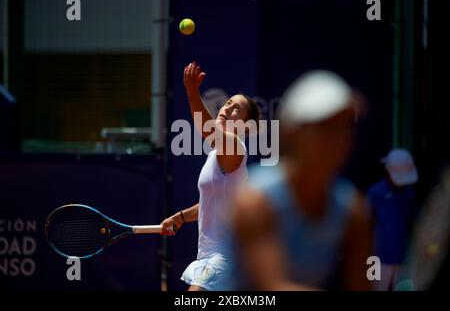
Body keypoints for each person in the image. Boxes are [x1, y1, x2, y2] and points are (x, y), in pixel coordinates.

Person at [232, 70, 372, 290]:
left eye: (344, 125)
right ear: (292, 132)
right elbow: (271, 289)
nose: (338, 137)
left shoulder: (353, 210)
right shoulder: (254, 200)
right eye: (324, 126)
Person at [160, 61, 261, 291]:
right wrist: (180, 218)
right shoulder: (215, 154)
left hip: (225, 256)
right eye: (227, 103)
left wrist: (192, 91)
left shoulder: (235, 146)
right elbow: (211, 202)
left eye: (236, 108)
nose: (227, 108)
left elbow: (208, 130)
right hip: (206, 255)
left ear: (245, 126)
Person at [367, 148, 418, 290]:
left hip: (404, 258)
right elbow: (366, 226)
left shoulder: (410, 194)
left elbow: (412, 224)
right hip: (377, 259)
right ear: (387, 171)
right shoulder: (375, 193)